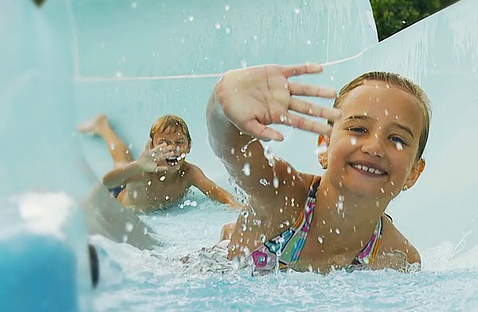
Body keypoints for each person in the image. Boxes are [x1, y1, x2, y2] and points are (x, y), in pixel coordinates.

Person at [207, 64, 430, 274]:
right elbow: (232, 149)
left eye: (397, 139)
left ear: (413, 173)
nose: (374, 148)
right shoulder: (283, 197)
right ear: (324, 146)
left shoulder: (398, 257)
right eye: (358, 129)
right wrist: (222, 100)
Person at [79, 114, 241, 212]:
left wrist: (239, 208)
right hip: (123, 197)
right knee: (122, 161)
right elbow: (107, 182)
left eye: (179, 142)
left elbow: (217, 193)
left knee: (124, 160)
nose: (173, 149)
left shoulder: (189, 173)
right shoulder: (142, 171)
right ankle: (102, 126)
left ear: (189, 146)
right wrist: (138, 166)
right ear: (152, 146)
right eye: (164, 143)